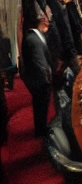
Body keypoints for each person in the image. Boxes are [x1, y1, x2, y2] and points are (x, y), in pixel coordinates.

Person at [21, 8, 53, 137]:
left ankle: (42, 128)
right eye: (47, 15)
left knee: (42, 107)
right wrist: (48, 80)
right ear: (41, 18)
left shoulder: (36, 36)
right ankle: (41, 131)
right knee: (40, 106)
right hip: (39, 81)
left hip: (39, 80)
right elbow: (40, 64)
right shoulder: (33, 39)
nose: (49, 18)